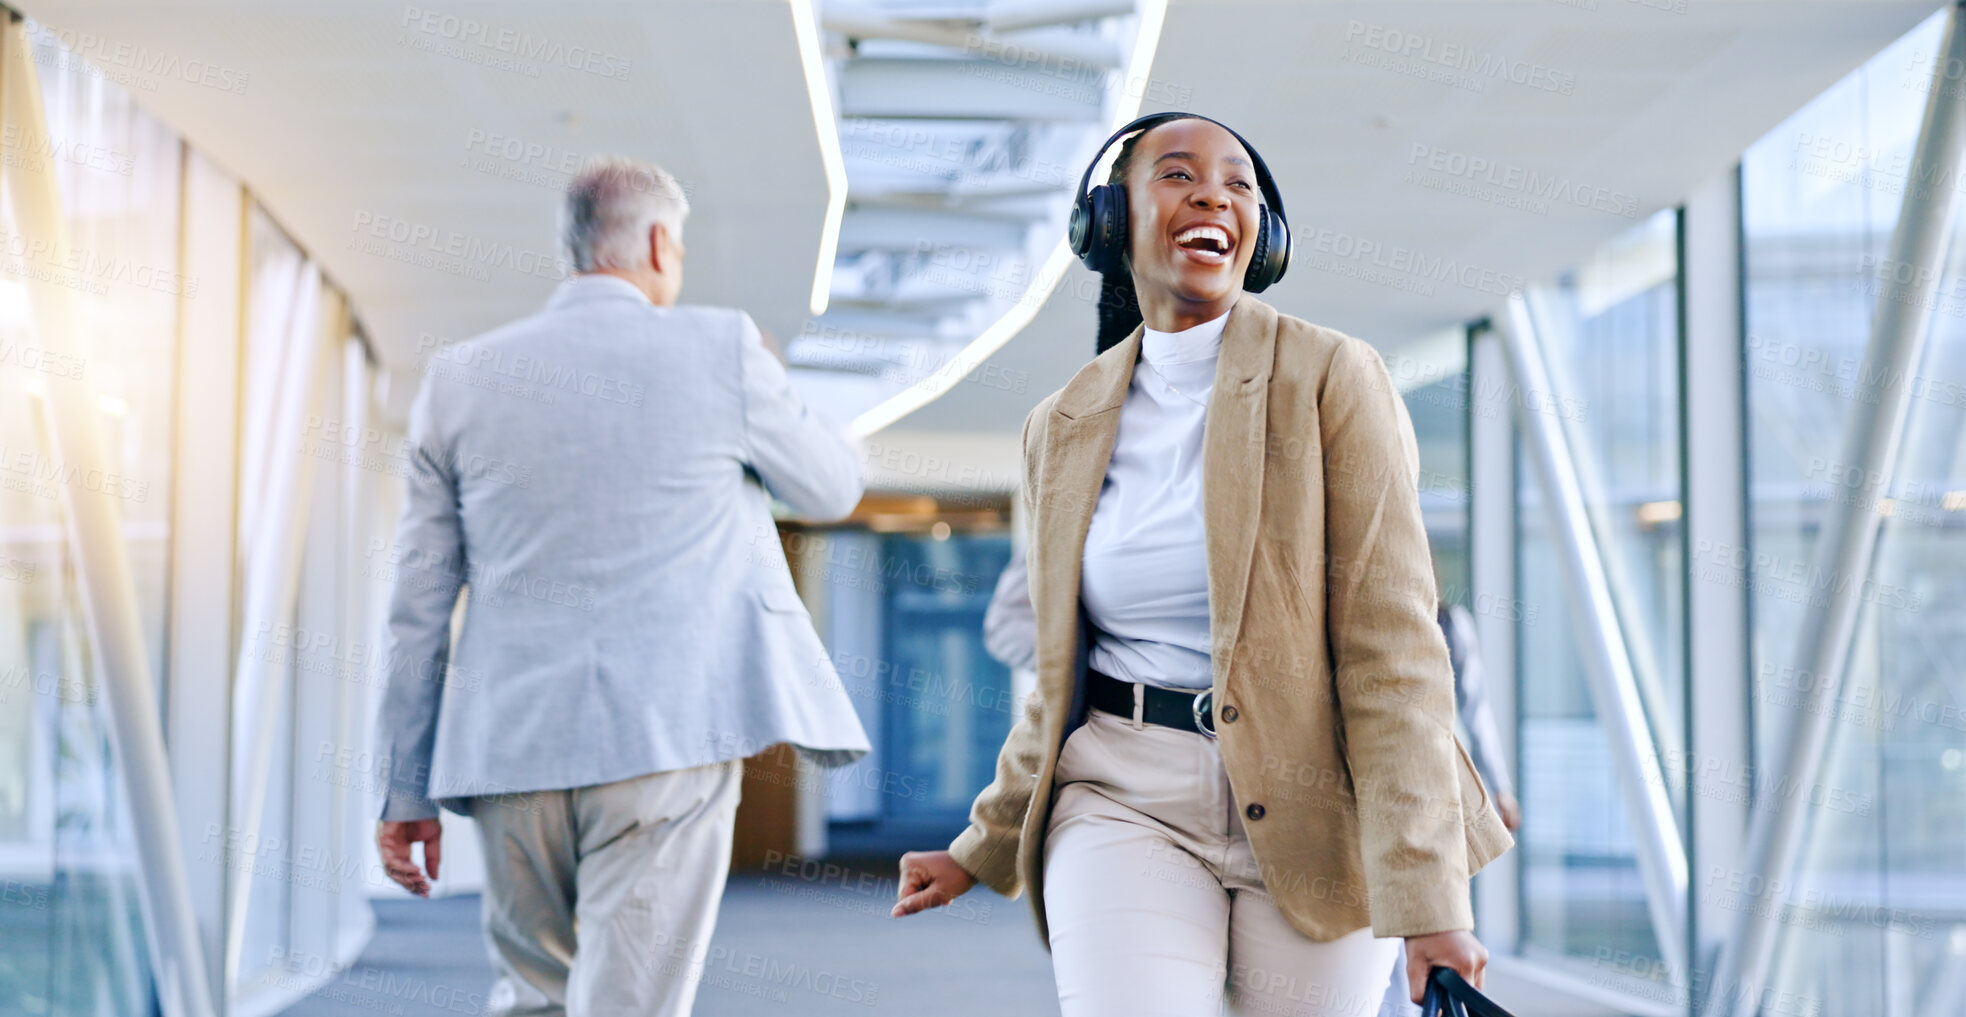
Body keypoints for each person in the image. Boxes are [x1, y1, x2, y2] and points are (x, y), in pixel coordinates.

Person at [891, 113, 1513, 1016]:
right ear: (1111, 223)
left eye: (1238, 184)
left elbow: (1396, 656)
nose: (1214, 194)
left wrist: (1429, 900)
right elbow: (1062, 679)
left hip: (1315, 806)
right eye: (1177, 175)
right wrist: (983, 841)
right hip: (1122, 794)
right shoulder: (1059, 425)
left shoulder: (1335, 377)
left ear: (1262, 234)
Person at [371, 155, 870, 1017]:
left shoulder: (459, 376)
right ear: (656, 242)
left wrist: (404, 788)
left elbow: (416, 605)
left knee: (534, 997)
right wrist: (775, 379)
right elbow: (830, 487)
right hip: (665, 744)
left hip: (509, 749)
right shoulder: (720, 346)